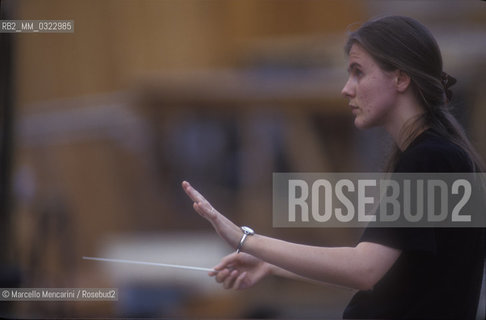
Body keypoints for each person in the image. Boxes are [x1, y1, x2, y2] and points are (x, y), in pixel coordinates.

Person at [182, 16, 485, 319]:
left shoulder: (432, 158)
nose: (346, 89)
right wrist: (272, 264)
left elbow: (364, 269)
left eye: (358, 73)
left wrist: (245, 240)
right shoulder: (439, 154)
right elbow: (396, 276)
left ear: (400, 78)